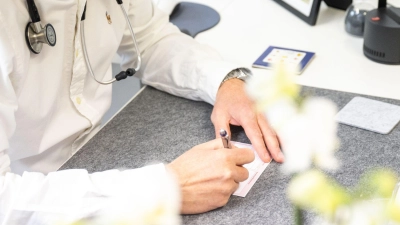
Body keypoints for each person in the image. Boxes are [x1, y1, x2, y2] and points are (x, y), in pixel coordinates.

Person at [0, 0, 283, 223]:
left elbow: (150, 39)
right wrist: (161, 189)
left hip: (106, 154)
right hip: (35, 194)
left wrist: (226, 81)